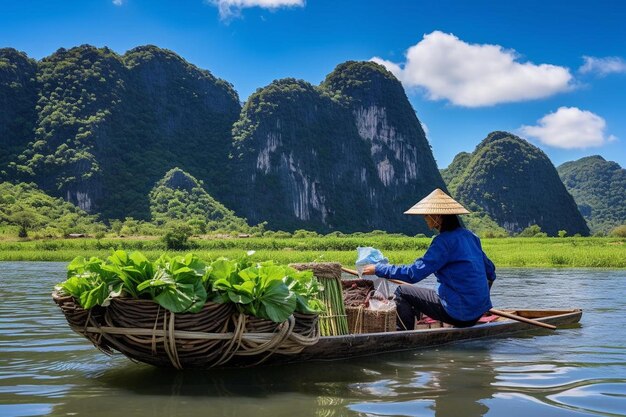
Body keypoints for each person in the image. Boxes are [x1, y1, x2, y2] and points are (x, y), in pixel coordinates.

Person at [362, 188, 496, 330]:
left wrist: (379, 268)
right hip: (478, 311)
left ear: (437, 216)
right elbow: (491, 272)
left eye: (427, 215)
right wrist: (479, 301)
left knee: (402, 291)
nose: (425, 219)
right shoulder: (471, 237)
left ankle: (403, 337)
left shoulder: (443, 242)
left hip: (458, 314)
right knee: (423, 292)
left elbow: (413, 274)